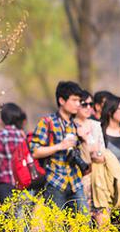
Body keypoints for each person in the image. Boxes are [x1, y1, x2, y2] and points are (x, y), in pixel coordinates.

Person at [29, 81, 88, 213]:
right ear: (62, 100)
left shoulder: (76, 126)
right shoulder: (47, 122)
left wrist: (84, 140)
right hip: (55, 181)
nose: (78, 104)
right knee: (57, 227)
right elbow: (35, 151)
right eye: (74, 100)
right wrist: (60, 146)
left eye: (79, 101)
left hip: (75, 181)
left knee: (85, 222)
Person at [74, 90, 106, 220]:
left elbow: (101, 153)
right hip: (78, 179)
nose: (88, 107)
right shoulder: (70, 125)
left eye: (90, 104)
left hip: (96, 178)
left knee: (101, 220)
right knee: (81, 220)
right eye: (84, 104)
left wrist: (89, 146)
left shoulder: (96, 125)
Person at [0, 103, 27, 203]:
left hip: (5, 182)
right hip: (22, 182)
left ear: (4, 117)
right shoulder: (22, 135)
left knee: (6, 215)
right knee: (19, 216)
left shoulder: (2, 134)